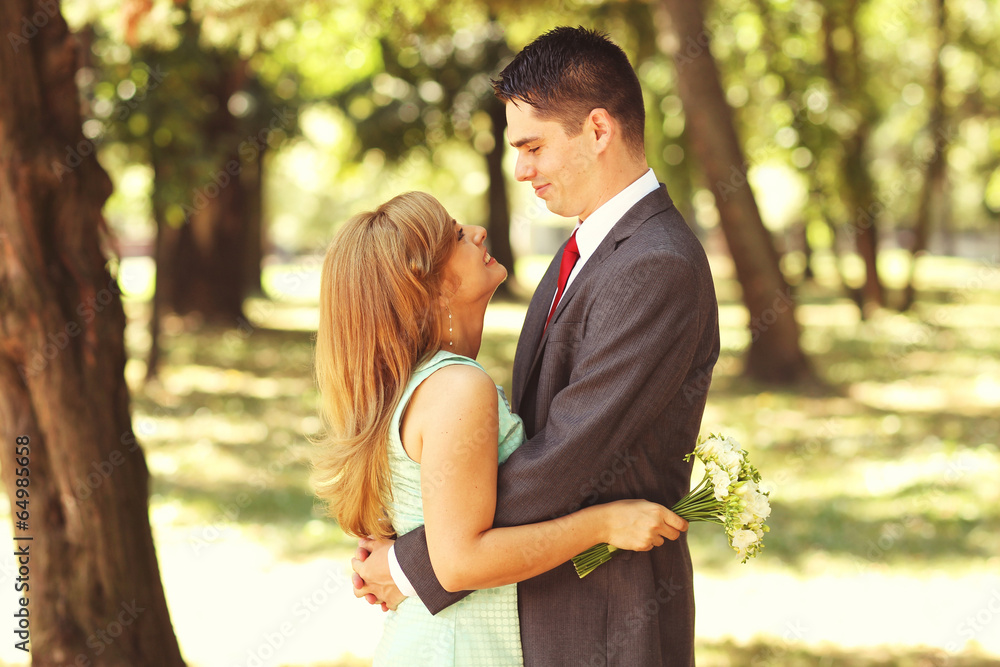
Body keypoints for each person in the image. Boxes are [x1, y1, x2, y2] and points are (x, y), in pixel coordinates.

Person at [353, 26, 720, 666]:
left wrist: (419, 561)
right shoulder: (588, 246)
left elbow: (566, 457)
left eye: (533, 146)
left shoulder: (657, 266)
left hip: (605, 615)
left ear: (598, 131)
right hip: (542, 603)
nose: (520, 170)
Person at [312, 191, 690, 666]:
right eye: (454, 236)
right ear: (427, 285)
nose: (477, 231)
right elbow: (460, 562)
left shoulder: (410, 384)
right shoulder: (456, 387)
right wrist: (604, 524)